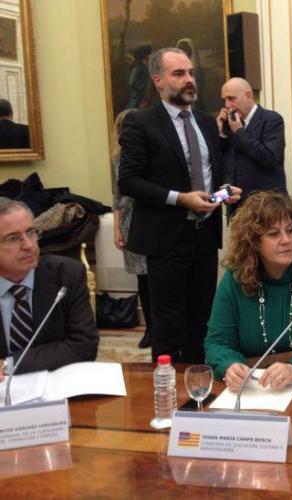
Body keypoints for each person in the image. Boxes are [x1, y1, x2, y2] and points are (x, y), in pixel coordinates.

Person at [118, 47, 241, 363]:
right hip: (166, 237)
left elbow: (211, 172)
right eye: (179, 74)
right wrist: (180, 198)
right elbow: (129, 181)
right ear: (158, 80)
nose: (189, 79)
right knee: (168, 324)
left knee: (203, 319)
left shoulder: (205, 121)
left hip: (205, 236)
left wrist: (223, 191)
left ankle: (199, 383)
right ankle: (167, 388)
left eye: (191, 73)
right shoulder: (141, 123)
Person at [205, 191, 292, 390]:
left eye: (290, 230)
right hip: (252, 389)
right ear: (253, 241)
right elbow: (217, 343)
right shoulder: (234, 280)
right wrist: (229, 366)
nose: (286, 240)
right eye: (273, 234)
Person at [0, 198, 98, 380]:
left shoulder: (67, 275)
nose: (29, 245)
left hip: (56, 385)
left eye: (31, 232)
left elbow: (84, 345)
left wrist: (9, 364)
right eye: (13, 238)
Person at [110, 109, 151, 349]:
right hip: (128, 219)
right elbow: (117, 195)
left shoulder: (150, 152)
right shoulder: (117, 158)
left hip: (150, 217)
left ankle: (160, 328)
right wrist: (117, 228)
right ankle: (150, 328)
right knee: (142, 279)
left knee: (156, 277)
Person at [216, 77, 286, 211]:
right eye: (224, 100)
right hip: (237, 209)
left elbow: (269, 158)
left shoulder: (272, 119)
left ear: (248, 96)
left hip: (268, 207)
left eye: (231, 98)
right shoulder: (228, 124)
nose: (227, 105)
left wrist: (239, 132)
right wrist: (220, 131)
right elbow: (225, 164)